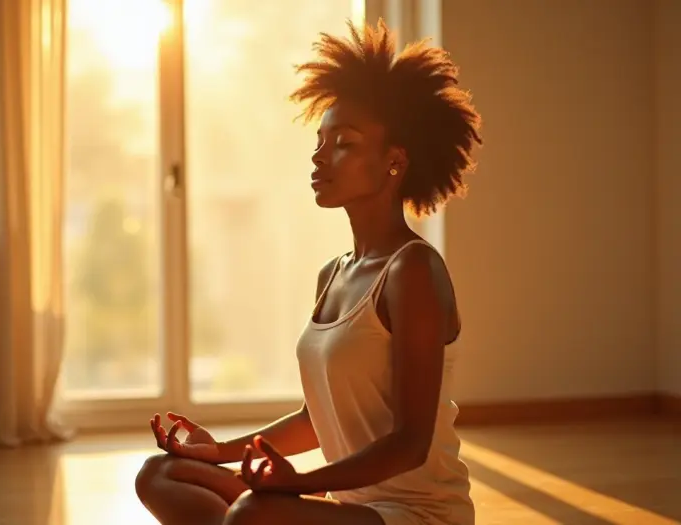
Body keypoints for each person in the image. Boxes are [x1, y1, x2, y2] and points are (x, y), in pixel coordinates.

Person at [135, 18, 482, 525]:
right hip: (349, 510)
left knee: (253, 515)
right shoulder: (334, 274)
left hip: (415, 515)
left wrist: (296, 485)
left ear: (394, 161)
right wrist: (222, 452)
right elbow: (317, 420)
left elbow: (410, 444)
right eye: (321, 140)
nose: (320, 157)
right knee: (160, 474)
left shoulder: (414, 272)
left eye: (344, 142)